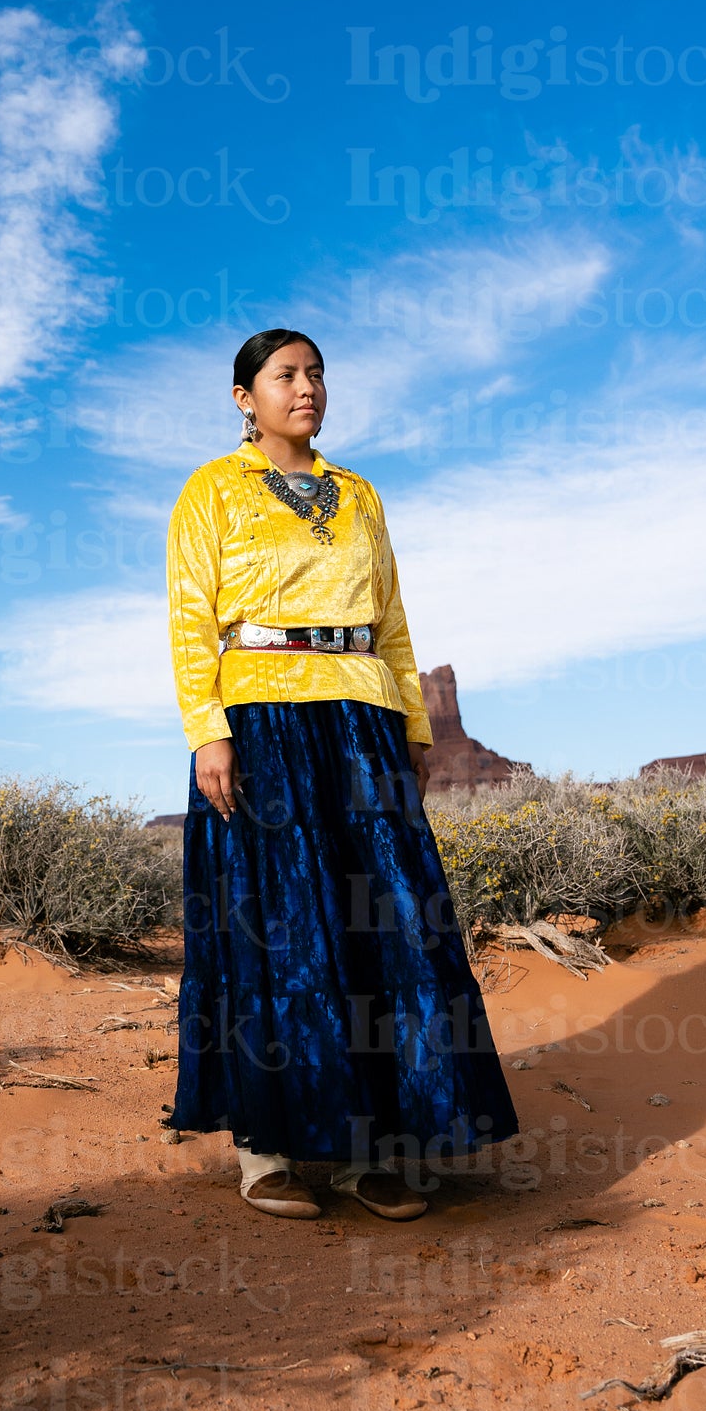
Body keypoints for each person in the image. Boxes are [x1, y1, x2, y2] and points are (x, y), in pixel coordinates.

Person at [165, 329, 518, 1220]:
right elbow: (187, 617)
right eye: (285, 375)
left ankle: (373, 1147)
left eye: (316, 373)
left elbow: (393, 619)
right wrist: (209, 732)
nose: (306, 387)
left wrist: (414, 725)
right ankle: (266, 1145)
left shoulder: (359, 495)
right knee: (282, 926)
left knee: (383, 925)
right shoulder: (211, 490)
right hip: (262, 719)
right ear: (244, 397)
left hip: (360, 719)